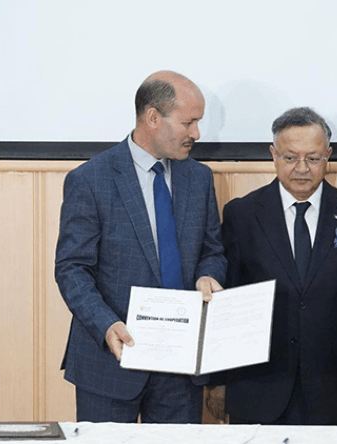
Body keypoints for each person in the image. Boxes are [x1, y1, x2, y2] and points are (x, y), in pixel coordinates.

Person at [54, 70, 227, 423]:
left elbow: (212, 251)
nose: (196, 133)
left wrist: (208, 276)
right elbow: (72, 269)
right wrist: (106, 324)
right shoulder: (90, 180)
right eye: (188, 122)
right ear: (152, 118)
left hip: (180, 367)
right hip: (110, 360)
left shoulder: (199, 178)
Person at [207, 107, 337, 425]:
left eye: (313, 158)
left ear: (328, 156)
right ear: (273, 155)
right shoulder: (241, 215)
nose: (302, 169)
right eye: (290, 158)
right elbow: (225, 303)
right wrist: (218, 380)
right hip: (255, 384)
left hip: (330, 388)